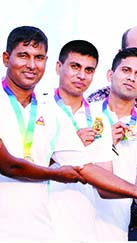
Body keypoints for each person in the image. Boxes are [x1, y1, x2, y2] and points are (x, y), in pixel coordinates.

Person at [0, 26, 84, 240]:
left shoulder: (52, 111)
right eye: (23, 56)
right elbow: (9, 165)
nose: (31, 65)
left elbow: (86, 168)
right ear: (6, 58)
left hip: (38, 232)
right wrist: (55, 173)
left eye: (39, 57)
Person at [87, 25, 137, 241]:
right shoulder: (85, 110)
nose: (131, 78)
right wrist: (101, 143)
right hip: (72, 219)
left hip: (119, 228)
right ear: (110, 73)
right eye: (126, 70)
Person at [46, 39, 113, 241]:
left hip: (83, 224)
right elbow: (22, 166)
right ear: (59, 67)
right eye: (75, 67)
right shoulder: (39, 107)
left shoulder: (100, 118)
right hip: (41, 221)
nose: (82, 76)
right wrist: (71, 145)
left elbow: (105, 181)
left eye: (89, 70)